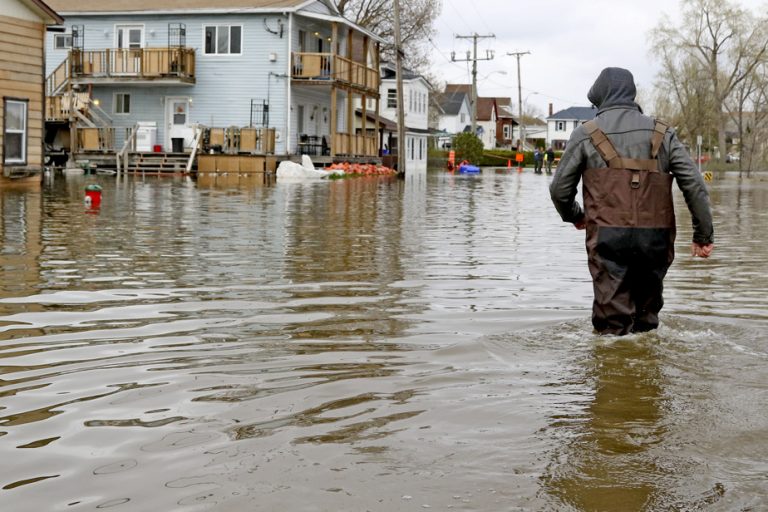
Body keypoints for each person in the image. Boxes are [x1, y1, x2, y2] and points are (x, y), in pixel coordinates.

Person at [549, 67, 714, 335]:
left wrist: (576, 216)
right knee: (647, 322)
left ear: (599, 98)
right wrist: (703, 235)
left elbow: (559, 190)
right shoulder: (664, 132)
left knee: (611, 329)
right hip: (656, 237)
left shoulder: (585, 133)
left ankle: (615, 370)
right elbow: (694, 185)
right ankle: (647, 368)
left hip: (607, 236)